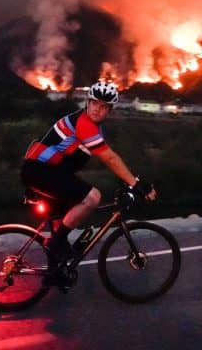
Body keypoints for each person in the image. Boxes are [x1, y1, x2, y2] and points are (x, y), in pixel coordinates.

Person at [21, 81, 156, 270]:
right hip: (40, 171)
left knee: (63, 221)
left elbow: (108, 159)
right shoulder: (84, 124)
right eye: (94, 103)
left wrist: (126, 180)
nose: (97, 109)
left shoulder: (93, 128)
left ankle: (55, 272)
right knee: (93, 197)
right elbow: (109, 158)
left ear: (109, 111)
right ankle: (55, 244)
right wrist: (136, 184)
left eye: (104, 106)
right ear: (88, 102)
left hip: (47, 172)